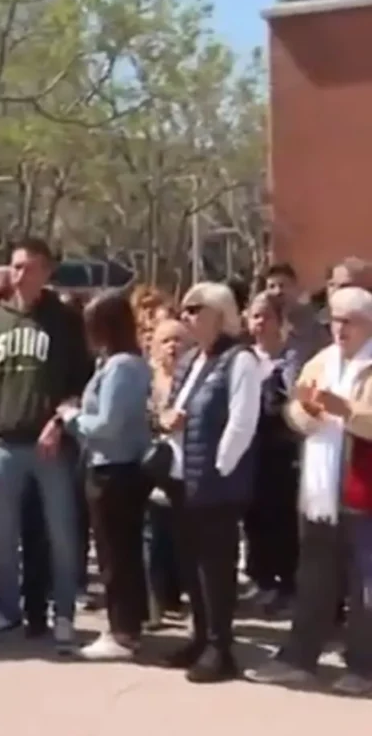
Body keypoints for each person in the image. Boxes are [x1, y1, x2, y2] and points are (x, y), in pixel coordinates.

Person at [247, 286, 372, 695]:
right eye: (334, 321)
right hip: (319, 491)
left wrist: (348, 413)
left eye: (348, 321)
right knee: (314, 578)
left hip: (362, 491)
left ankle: (363, 667)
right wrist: (307, 412)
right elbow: (294, 408)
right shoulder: (321, 361)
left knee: (364, 586)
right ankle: (300, 658)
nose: (339, 329)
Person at [0, 238, 92, 648]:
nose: (21, 275)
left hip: (50, 444)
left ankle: (63, 614)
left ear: (47, 271)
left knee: (61, 532)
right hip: (4, 443)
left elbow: (82, 383)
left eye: (30, 267)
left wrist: (59, 421)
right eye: (16, 266)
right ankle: (7, 611)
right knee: (2, 535)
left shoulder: (64, 321)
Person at [159, 281, 262, 683]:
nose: (186, 316)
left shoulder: (240, 360)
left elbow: (242, 421)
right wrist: (166, 420)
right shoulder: (191, 360)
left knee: (215, 567)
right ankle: (201, 638)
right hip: (183, 476)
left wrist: (219, 468)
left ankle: (221, 647)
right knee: (191, 563)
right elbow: (172, 409)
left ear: (219, 314)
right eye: (184, 309)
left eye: (194, 308)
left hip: (217, 481)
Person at [56, 291, 152, 660]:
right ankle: (128, 623)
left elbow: (108, 425)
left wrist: (72, 418)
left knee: (115, 554)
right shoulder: (113, 363)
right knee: (120, 551)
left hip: (115, 468)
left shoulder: (122, 367)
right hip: (113, 466)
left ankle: (123, 631)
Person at [242, 292, 301, 613]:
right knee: (254, 518)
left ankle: (287, 585)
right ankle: (261, 580)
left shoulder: (291, 360)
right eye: (255, 316)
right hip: (249, 449)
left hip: (281, 450)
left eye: (267, 316)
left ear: (280, 322)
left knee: (283, 518)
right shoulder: (243, 358)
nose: (260, 323)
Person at [145, 318, 188, 624]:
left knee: (181, 533)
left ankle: (177, 592)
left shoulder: (193, 380)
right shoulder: (146, 380)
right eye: (166, 341)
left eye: (179, 340)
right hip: (151, 463)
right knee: (152, 534)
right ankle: (155, 601)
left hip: (185, 467)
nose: (173, 346)